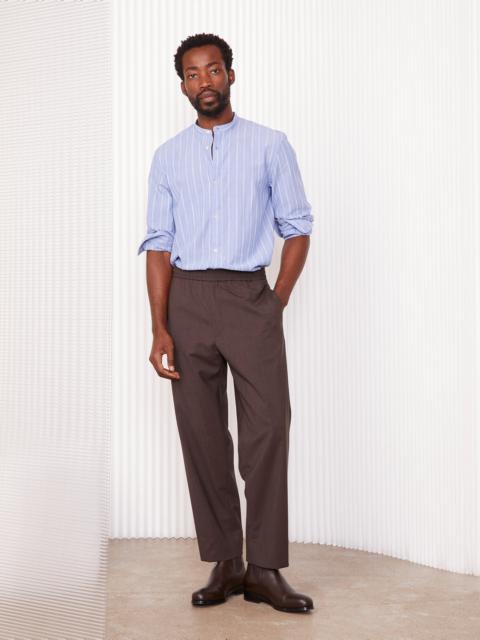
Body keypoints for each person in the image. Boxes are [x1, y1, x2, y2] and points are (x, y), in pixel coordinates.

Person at [137, 32, 314, 614]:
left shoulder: (270, 145)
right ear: (183, 86)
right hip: (187, 300)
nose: (204, 81)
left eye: (213, 70)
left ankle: (264, 567)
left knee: (268, 430)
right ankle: (226, 561)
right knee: (202, 433)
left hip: (249, 296)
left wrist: (275, 300)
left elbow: (297, 227)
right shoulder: (168, 157)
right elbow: (159, 245)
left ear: (231, 75)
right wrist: (160, 327)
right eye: (192, 74)